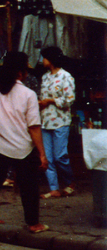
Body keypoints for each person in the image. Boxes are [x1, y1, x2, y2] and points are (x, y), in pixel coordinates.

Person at [0, 51, 49, 243]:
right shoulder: (29, 94)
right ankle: (33, 223)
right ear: (21, 73)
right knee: (29, 189)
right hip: (24, 149)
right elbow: (34, 127)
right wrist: (42, 153)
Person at [38, 46, 76, 199]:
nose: (42, 61)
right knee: (47, 157)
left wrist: (51, 101)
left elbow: (70, 100)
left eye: (44, 58)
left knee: (60, 155)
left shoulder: (66, 76)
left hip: (61, 121)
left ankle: (70, 182)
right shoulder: (45, 77)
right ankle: (53, 188)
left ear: (51, 59)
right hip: (45, 121)